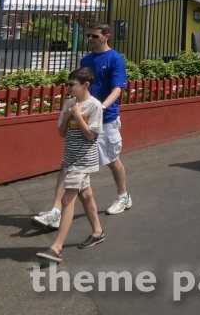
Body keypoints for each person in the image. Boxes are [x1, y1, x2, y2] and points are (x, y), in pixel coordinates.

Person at [34, 22, 132, 230]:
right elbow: (82, 83)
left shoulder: (115, 58)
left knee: (111, 160)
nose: (90, 39)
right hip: (83, 116)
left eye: (94, 36)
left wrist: (101, 108)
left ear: (107, 36)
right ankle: (56, 211)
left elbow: (117, 89)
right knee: (68, 164)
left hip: (106, 118)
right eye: (89, 35)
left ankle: (123, 196)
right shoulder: (86, 59)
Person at [35, 67, 105, 263]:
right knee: (86, 195)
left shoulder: (94, 106)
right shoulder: (69, 104)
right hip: (70, 158)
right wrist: (67, 117)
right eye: (67, 84)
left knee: (67, 200)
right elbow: (62, 133)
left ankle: (56, 248)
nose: (68, 88)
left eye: (72, 85)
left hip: (83, 160)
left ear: (85, 85)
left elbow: (91, 135)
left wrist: (78, 117)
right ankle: (98, 232)